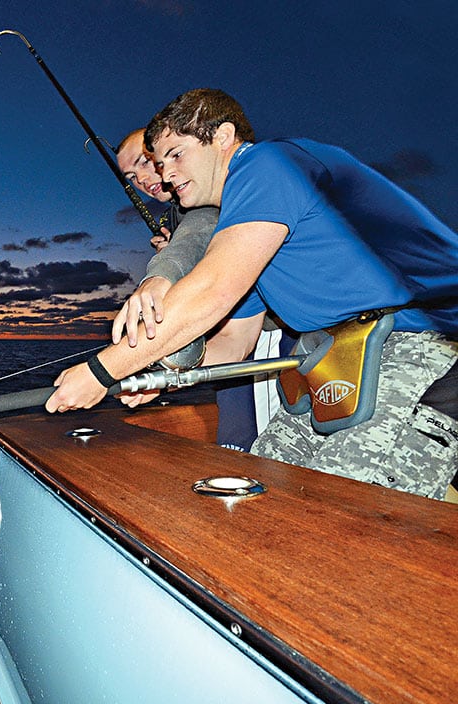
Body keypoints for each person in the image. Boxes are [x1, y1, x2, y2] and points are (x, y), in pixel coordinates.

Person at [48, 88, 458, 501]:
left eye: (175, 154)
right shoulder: (247, 233)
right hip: (339, 358)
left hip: (426, 344)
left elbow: (212, 291)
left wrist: (103, 371)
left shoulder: (268, 163)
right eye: (157, 162)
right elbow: (234, 342)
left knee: (344, 512)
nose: (165, 173)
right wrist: (161, 377)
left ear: (223, 137)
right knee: (268, 490)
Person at [117, 127, 286, 451]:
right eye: (131, 177)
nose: (142, 179)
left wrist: (158, 278)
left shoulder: (208, 199)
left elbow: (199, 230)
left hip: (270, 335)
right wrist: (162, 377)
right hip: (233, 332)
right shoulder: (178, 212)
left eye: (145, 162)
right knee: (234, 446)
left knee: (255, 451)